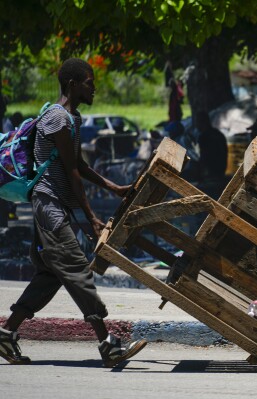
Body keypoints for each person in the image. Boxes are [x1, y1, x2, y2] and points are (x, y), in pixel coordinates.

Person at [0, 58, 147, 367]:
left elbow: (77, 164)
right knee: (77, 268)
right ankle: (109, 345)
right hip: (49, 203)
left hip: (53, 205)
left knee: (51, 272)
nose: (94, 87)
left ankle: (6, 333)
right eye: (89, 82)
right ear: (73, 85)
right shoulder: (57, 119)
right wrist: (91, 216)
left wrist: (113, 187)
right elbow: (71, 173)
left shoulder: (72, 118)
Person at [195, 111, 228, 181]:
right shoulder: (218, 134)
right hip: (221, 171)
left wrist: (199, 174)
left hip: (211, 174)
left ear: (202, 122)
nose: (196, 125)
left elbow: (204, 157)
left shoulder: (204, 137)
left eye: (197, 122)